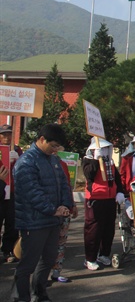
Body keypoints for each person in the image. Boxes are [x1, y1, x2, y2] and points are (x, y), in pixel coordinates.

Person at [12, 124, 74, 302]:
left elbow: (63, 184)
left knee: (48, 260)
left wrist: (65, 205)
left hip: (53, 221)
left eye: (58, 147)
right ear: (41, 140)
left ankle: (39, 293)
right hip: (33, 221)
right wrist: (53, 210)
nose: (55, 150)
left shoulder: (53, 160)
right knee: (28, 264)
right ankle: (21, 297)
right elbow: (32, 192)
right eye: (53, 145)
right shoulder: (26, 162)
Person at [82, 138, 125, 271]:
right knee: (93, 230)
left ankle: (104, 253)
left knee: (108, 230)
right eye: (102, 148)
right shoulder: (88, 161)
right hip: (95, 199)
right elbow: (89, 174)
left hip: (110, 200)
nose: (104, 151)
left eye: (107, 148)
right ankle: (90, 258)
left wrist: (119, 192)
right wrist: (96, 159)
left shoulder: (110, 163)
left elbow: (117, 179)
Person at [50, 148, 78, 283]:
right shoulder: (37, 163)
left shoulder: (63, 165)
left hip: (64, 210)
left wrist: (72, 204)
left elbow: (67, 186)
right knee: (45, 245)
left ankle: (56, 271)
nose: (54, 149)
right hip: (47, 212)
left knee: (61, 242)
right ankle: (40, 277)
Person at [0, 124, 23, 263]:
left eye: (9, 134)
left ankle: (8, 250)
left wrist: (18, 159)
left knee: (12, 222)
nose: (6, 137)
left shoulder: (17, 150)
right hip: (1, 190)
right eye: (3, 134)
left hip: (13, 191)